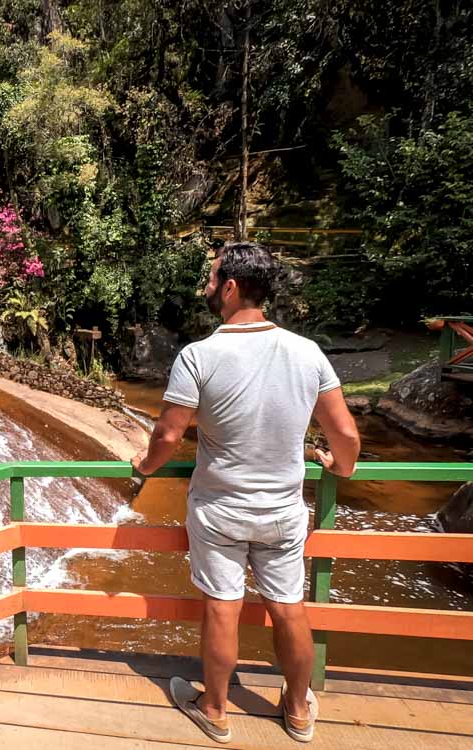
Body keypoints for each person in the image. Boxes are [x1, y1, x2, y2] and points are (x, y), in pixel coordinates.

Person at [131, 242, 360, 744]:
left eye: (211, 280)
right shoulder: (307, 352)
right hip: (282, 510)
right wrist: (338, 467)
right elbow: (345, 436)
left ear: (230, 288)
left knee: (222, 607)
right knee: (288, 606)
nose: (207, 288)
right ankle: (298, 711)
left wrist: (143, 466)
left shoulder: (199, 355)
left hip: (220, 511)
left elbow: (168, 437)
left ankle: (214, 711)